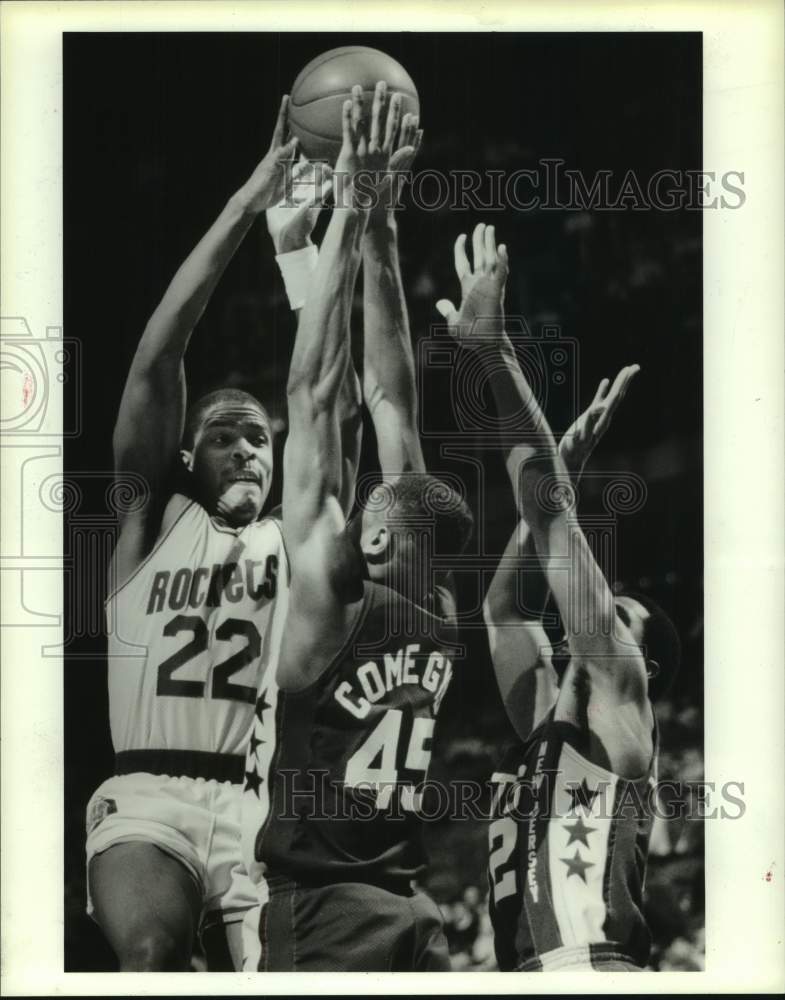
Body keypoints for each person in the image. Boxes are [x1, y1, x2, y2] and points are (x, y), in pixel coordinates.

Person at [242, 82, 473, 972]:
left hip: (327, 912)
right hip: (410, 907)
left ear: (373, 540)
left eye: (370, 503)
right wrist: (380, 221)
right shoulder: (440, 612)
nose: (374, 486)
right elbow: (390, 397)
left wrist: (351, 200)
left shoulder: (335, 598)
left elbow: (318, 396)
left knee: (323, 420)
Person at [86, 97, 311, 971]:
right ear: (188, 454)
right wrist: (248, 206)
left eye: (259, 433)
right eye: (224, 432)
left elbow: (332, 395)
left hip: (254, 813)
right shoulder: (153, 517)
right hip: (146, 796)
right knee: (149, 954)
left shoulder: (291, 541)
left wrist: (315, 249)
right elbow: (158, 353)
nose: (247, 443)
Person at [438, 223, 681, 971]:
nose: (599, 614)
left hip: (592, 965)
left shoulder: (616, 691)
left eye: (619, 614)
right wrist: (556, 480)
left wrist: (493, 354)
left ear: (642, 664)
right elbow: (503, 609)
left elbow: (550, 520)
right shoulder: (553, 717)